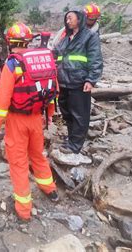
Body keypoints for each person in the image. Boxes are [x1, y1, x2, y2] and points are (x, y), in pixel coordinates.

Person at [0, 23, 59, 222]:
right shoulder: (42, 60)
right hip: (37, 117)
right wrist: (50, 114)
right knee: (38, 155)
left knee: (19, 163)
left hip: (17, 120)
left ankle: (24, 210)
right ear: (28, 41)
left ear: (9, 42)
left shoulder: (12, 63)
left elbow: (2, 99)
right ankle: (50, 189)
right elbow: (53, 88)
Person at [54, 9, 103, 154]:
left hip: (79, 82)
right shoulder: (65, 38)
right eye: (66, 19)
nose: (67, 21)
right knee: (66, 112)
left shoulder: (90, 37)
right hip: (63, 81)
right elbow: (55, 54)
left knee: (79, 114)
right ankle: (72, 138)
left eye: (70, 18)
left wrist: (91, 79)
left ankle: (75, 145)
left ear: (79, 19)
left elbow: (96, 59)